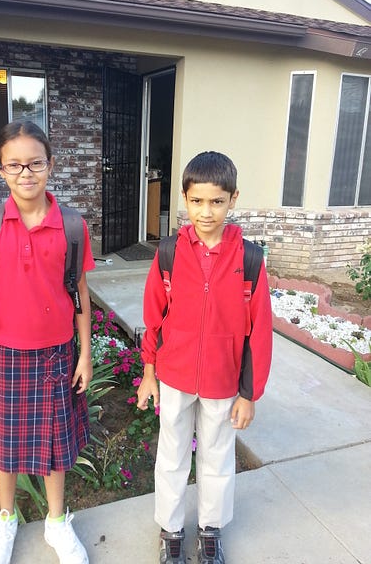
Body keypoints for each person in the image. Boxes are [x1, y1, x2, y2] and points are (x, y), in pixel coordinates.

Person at [0, 120, 95, 564]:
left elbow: (80, 294)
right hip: (4, 353)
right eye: (14, 165)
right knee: (6, 445)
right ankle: (7, 518)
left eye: (35, 163)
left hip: (57, 353)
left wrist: (85, 354)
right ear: (0, 169)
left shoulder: (72, 226)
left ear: (50, 165)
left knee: (55, 443)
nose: (26, 173)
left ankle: (57, 523)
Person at [137, 151, 272, 564]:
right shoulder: (169, 254)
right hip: (175, 377)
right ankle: (171, 529)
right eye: (197, 201)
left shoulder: (248, 259)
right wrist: (148, 373)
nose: (206, 212)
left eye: (216, 201)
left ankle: (210, 529)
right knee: (172, 455)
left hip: (222, 382)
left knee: (216, 457)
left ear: (233, 199)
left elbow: (260, 332)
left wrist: (249, 393)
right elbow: (152, 318)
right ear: (184, 198)